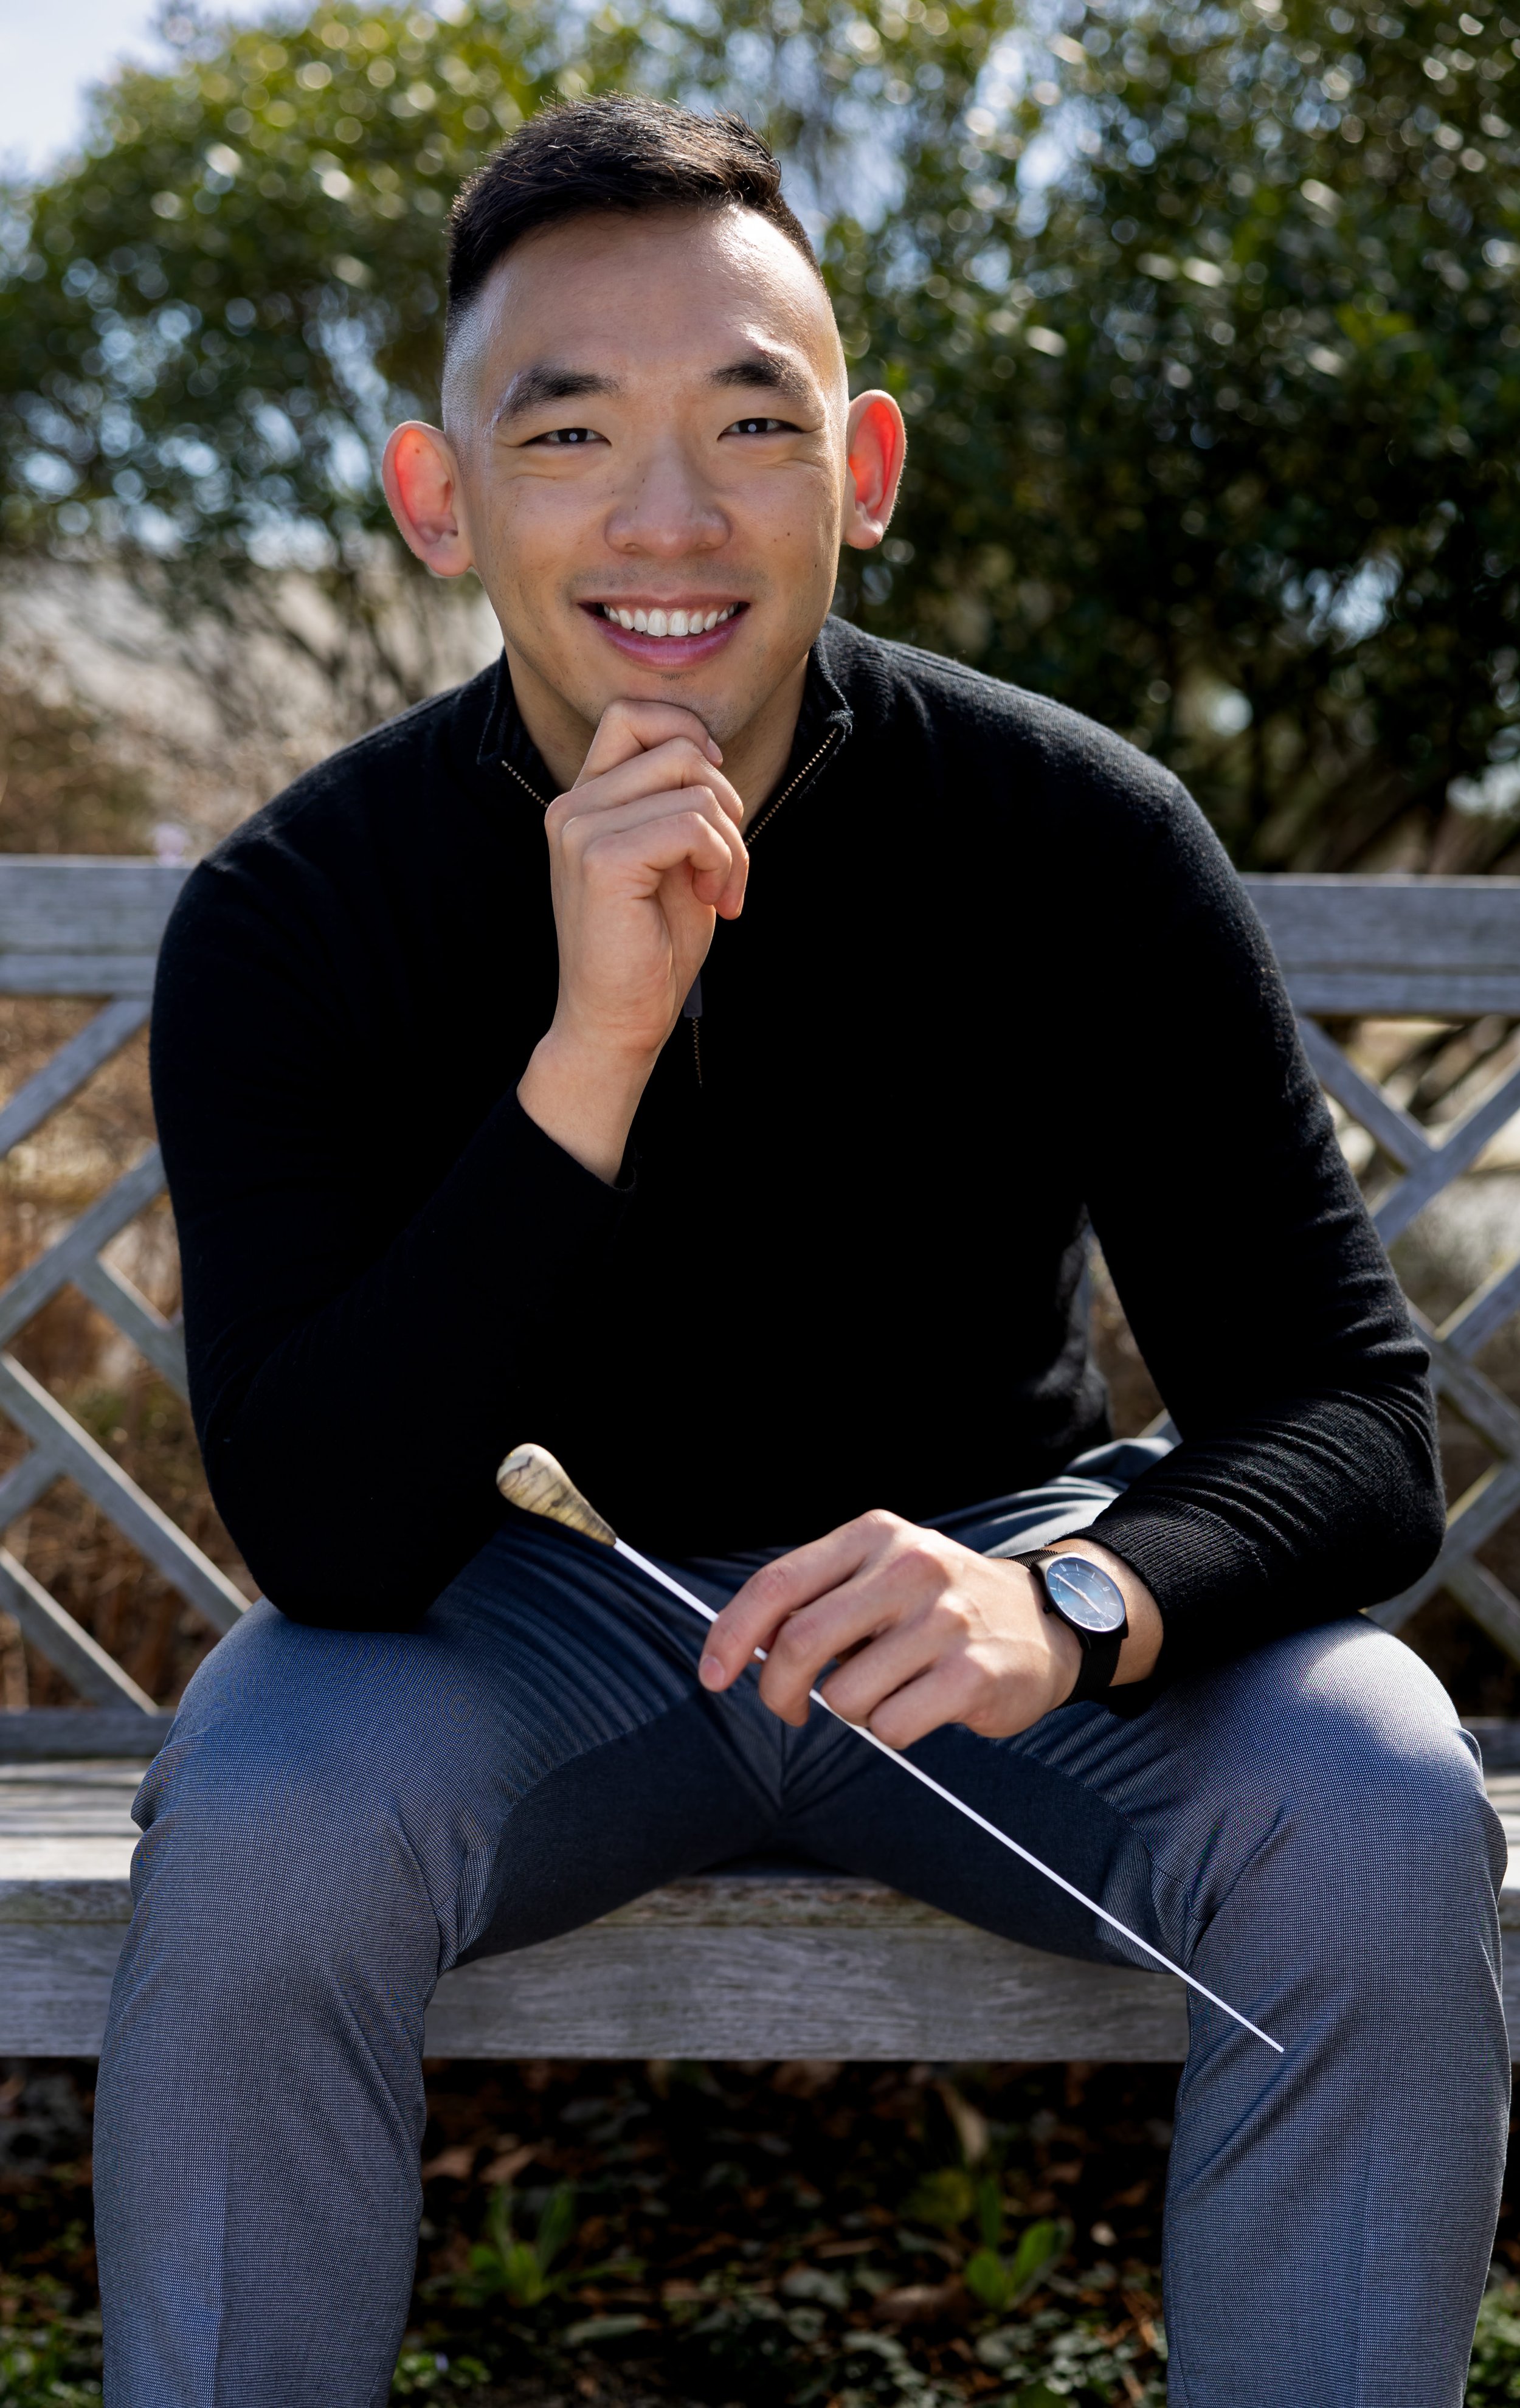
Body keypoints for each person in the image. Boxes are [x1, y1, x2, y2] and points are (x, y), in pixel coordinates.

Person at [92, 93, 1505, 2408]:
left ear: (859, 467)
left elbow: (1346, 1417)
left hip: (989, 1601)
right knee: (256, 1815)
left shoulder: (1072, 835)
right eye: (571, 437)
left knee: (1372, 1790)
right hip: (505, 1616)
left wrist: (1068, 1600)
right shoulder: (295, 910)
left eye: (747, 424)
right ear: (439, 501)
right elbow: (332, 1531)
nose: (670, 517)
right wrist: (596, 1045)